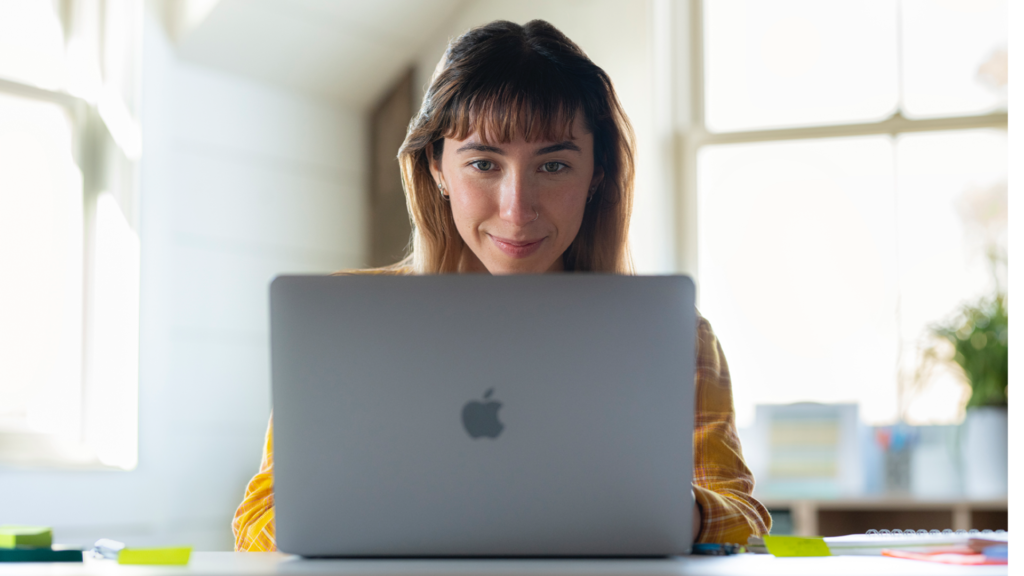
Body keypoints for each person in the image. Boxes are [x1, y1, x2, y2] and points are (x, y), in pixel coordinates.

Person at [233, 19, 771, 552]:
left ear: (598, 175)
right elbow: (256, 526)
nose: (517, 209)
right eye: (484, 164)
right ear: (437, 169)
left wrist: (680, 511)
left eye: (554, 165)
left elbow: (743, 519)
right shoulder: (344, 324)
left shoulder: (672, 337)